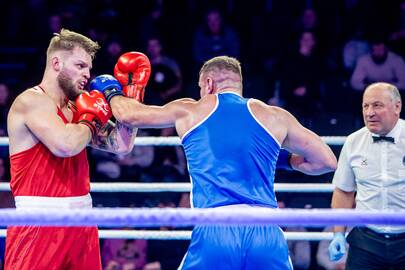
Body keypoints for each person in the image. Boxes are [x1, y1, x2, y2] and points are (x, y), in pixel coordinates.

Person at [101, 55, 337, 269]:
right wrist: (285, 160)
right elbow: (326, 162)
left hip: (216, 228)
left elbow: (130, 116)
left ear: (209, 84)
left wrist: (111, 91)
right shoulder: (275, 115)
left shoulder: (191, 109)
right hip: (266, 231)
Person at [5, 29, 149, 269]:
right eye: (80, 65)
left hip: (83, 221)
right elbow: (66, 144)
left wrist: (133, 98)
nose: (87, 75)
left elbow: (122, 145)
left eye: (89, 69)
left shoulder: (78, 107)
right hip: (40, 224)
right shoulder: (30, 102)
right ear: (56, 62)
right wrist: (91, 119)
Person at [329, 82, 405, 269]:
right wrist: (338, 233)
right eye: (365, 106)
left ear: (397, 107)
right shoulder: (354, 142)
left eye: (377, 105)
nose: (369, 112)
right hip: (366, 242)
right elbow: (344, 192)